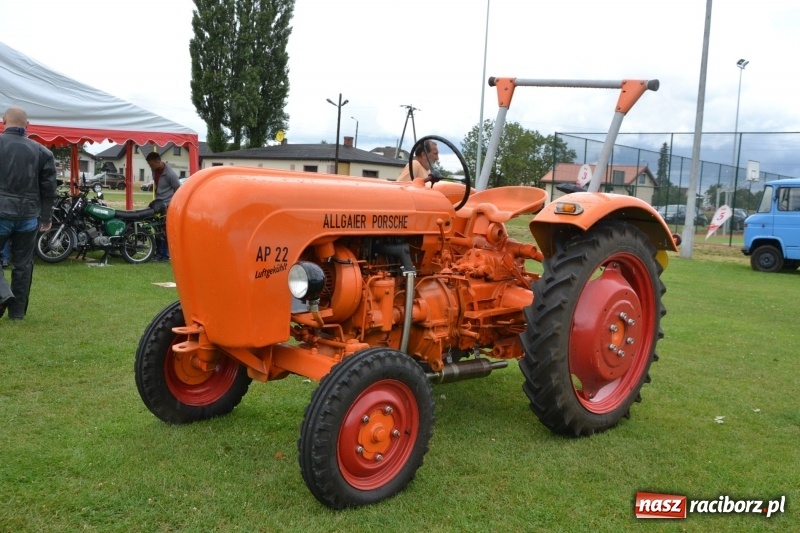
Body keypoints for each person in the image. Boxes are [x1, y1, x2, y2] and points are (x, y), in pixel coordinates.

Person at [0, 106, 58, 320]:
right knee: (23, 264)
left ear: (4, 121)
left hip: (2, 212)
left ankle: (3, 295)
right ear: (28, 125)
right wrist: (46, 217)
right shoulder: (43, 152)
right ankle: (17, 314)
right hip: (28, 216)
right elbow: (49, 189)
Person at [145, 151, 181, 262]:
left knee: (165, 230)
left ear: (158, 161)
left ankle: (165, 255)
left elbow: (178, 190)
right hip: (158, 203)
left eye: (151, 164)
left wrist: (171, 205)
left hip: (167, 205)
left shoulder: (170, 174)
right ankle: (158, 253)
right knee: (157, 228)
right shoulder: (154, 170)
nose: (150, 167)